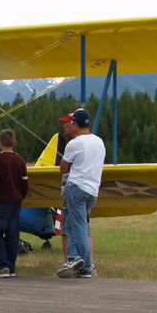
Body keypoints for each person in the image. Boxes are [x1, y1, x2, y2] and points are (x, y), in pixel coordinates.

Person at [56, 108, 105, 278]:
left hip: (76, 188)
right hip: (92, 190)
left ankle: (83, 263)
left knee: (77, 227)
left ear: (75, 123)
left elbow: (63, 167)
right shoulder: (99, 141)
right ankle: (78, 261)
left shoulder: (74, 143)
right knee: (74, 224)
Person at [0, 129, 28, 278]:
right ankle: (11, 267)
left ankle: (1, 265)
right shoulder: (20, 160)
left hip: (0, 202)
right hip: (16, 201)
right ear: (14, 143)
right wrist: (20, 197)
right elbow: (25, 183)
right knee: (13, 234)